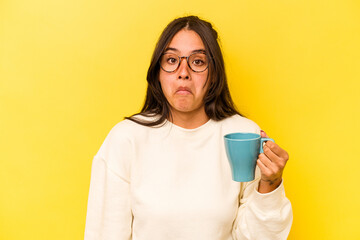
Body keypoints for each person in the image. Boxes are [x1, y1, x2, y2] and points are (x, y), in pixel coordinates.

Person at [84, 15, 293, 240]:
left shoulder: (242, 136)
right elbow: (104, 234)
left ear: (214, 75)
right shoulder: (125, 139)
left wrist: (270, 183)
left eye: (198, 62)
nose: (183, 72)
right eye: (172, 60)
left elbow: (257, 238)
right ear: (158, 73)